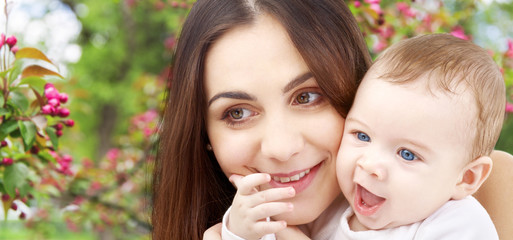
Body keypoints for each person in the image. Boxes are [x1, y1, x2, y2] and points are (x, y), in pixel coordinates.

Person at [150, 0, 513, 239]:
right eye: (238, 113)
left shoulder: (466, 211)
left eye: (307, 96)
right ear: (203, 135)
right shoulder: (336, 213)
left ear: (351, 91)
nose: (281, 147)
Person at [335, 33, 502, 239]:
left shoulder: (460, 222)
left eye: (407, 154)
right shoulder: (332, 208)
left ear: (466, 177)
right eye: (362, 136)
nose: (370, 165)